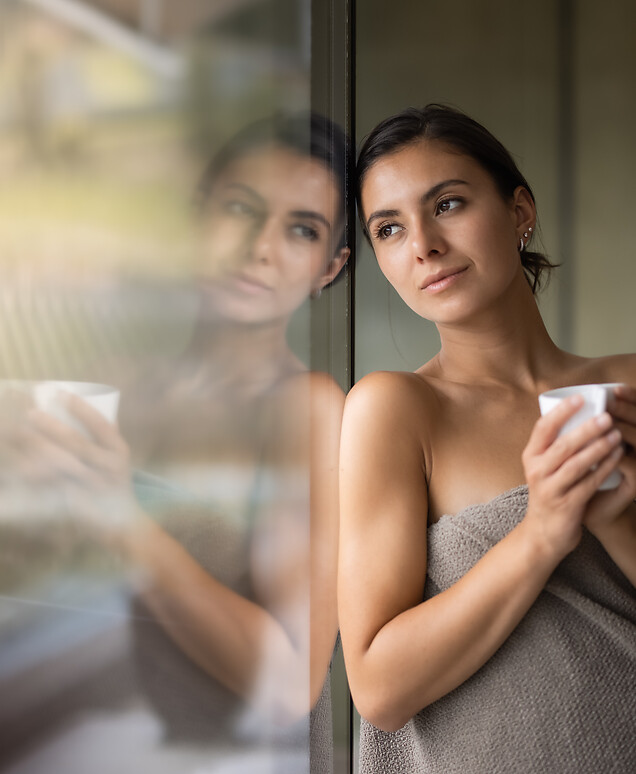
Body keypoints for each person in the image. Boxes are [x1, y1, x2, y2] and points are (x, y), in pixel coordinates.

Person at [1, 112, 350, 772]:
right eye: (239, 209)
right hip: (85, 736)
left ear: (329, 267)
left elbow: (287, 685)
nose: (260, 248)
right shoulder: (116, 383)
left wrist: (121, 520)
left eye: (300, 230)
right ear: (198, 215)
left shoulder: (304, 409)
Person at [338, 104, 636, 773]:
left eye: (446, 204)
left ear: (519, 210)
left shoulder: (627, 389)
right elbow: (379, 690)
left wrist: (617, 525)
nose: (423, 244)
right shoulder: (395, 410)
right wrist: (541, 532)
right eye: (389, 228)